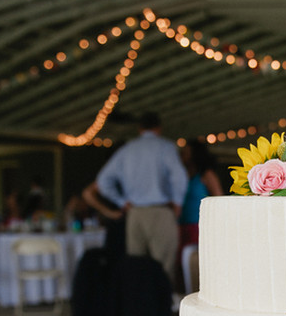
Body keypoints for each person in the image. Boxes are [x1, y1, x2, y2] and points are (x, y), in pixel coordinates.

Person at [94, 111, 188, 283]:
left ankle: (138, 307)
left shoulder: (127, 150)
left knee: (136, 268)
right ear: (159, 128)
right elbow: (179, 176)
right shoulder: (165, 147)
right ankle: (161, 307)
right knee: (163, 269)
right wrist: (178, 202)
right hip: (161, 212)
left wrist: (122, 202)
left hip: (135, 214)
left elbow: (103, 181)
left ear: (140, 129)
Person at [179, 140, 224, 248]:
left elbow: (219, 198)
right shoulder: (182, 175)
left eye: (186, 152)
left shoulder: (207, 174)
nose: (182, 155)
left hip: (199, 225)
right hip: (182, 224)